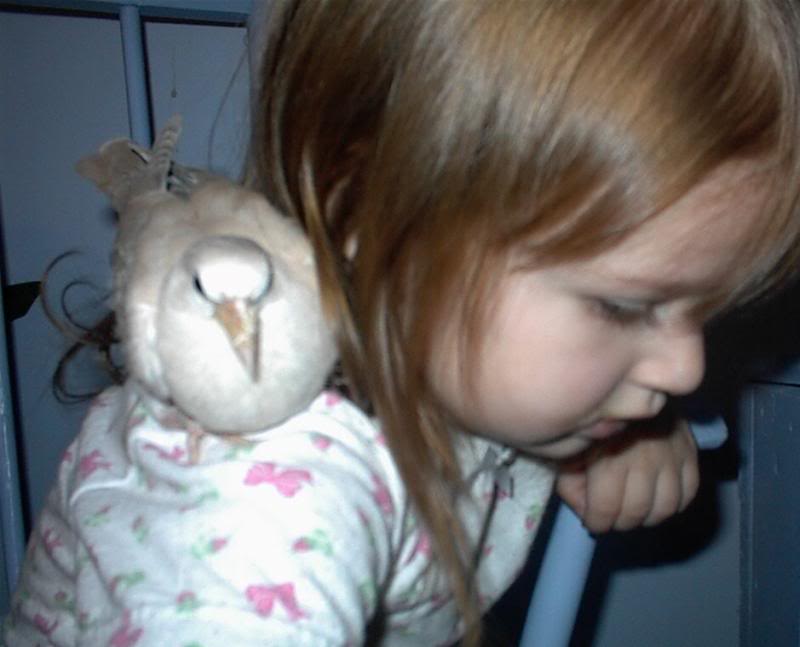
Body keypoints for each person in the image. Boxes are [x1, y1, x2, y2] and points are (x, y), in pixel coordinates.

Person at [6, 1, 800, 646]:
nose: (688, 371)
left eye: (707, 305)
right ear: (373, 212)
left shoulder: (431, 344)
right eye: (624, 305)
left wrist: (613, 429)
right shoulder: (262, 509)